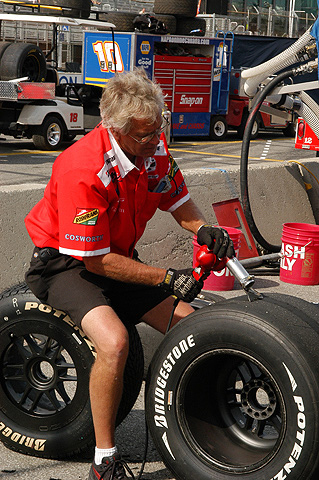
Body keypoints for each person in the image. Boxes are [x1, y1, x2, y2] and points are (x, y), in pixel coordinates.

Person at [24, 68, 233, 480]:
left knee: (194, 325)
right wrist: (168, 278)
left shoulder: (151, 149)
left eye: (159, 128)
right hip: (67, 263)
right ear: (116, 131)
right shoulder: (81, 169)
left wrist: (203, 229)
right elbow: (96, 262)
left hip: (115, 256)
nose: (157, 139)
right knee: (116, 342)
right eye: (146, 134)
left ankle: (208, 423)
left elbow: (176, 198)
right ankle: (104, 461)